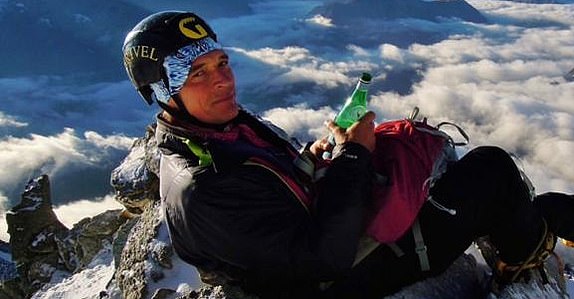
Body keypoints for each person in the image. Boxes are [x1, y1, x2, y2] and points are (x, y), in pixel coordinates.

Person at [122, 11, 574, 299]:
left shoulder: (219, 130)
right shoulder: (202, 185)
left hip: (333, 240)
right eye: (197, 72)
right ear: (163, 90)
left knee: (451, 168)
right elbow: (324, 258)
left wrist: (319, 157)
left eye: (221, 62)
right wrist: (355, 155)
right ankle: (523, 258)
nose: (223, 79)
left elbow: (275, 195)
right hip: (345, 276)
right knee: (492, 173)